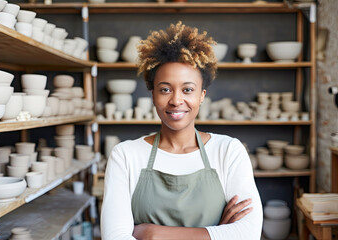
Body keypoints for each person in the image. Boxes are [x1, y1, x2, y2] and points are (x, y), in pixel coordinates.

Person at [101, 21, 263, 240]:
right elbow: (115, 237)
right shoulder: (126, 155)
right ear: (153, 95)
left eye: (188, 90)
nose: (176, 100)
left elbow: (248, 233)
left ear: (202, 95)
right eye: (165, 89)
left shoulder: (228, 151)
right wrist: (216, 233)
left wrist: (153, 233)